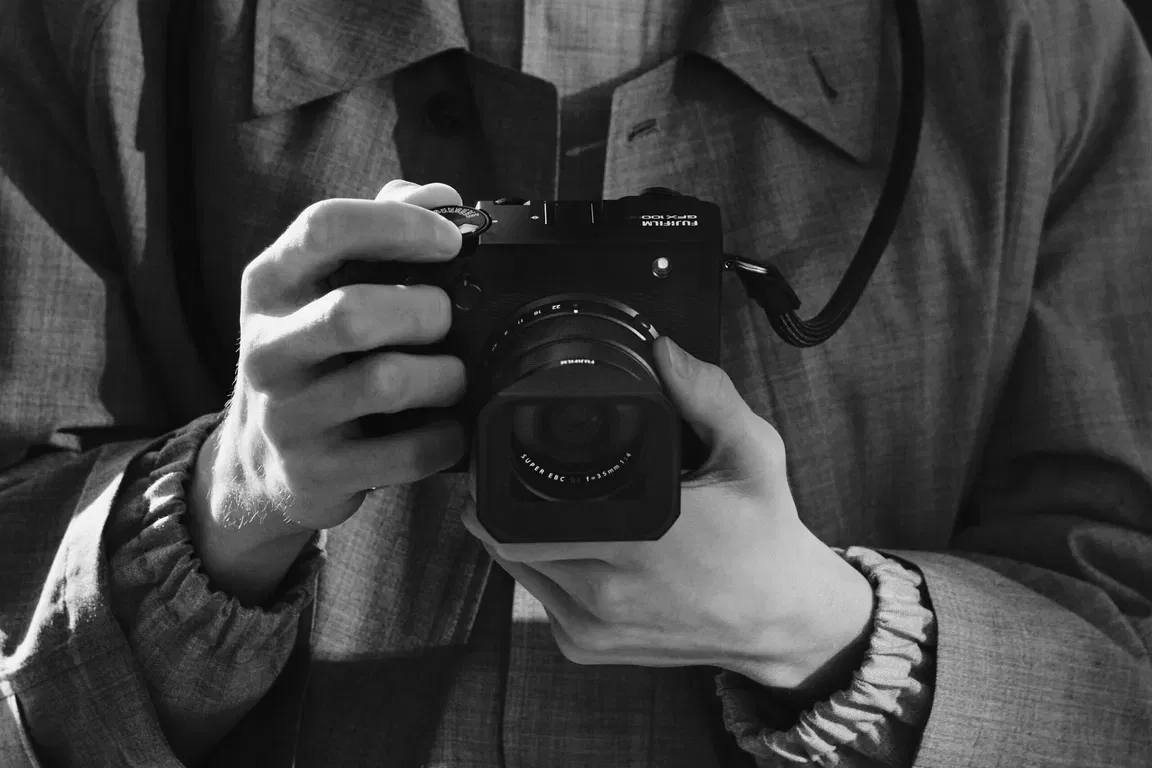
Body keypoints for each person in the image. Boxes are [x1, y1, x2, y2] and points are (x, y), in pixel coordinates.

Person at [1, 0, 1150, 765]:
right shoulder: (105, 30)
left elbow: (1127, 631)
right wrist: (226, 502)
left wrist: (826, 630)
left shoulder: (1028, 43)